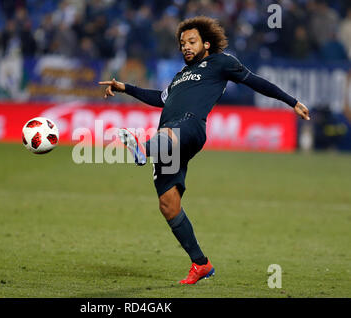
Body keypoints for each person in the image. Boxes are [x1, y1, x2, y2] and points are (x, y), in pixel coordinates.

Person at [99, 16, 310, 285]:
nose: (185, 47)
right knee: (168, 205)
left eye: (191, 41)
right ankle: (201, 264)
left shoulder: (221, 62)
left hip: (189, 128)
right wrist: (124, 87)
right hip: (170, 139)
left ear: (206, 44)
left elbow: (255, 81)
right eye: (182, 43)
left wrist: (291, 101)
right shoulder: (178, 77)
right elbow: (158, 99)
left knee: (167, 134)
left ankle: (143, 149)